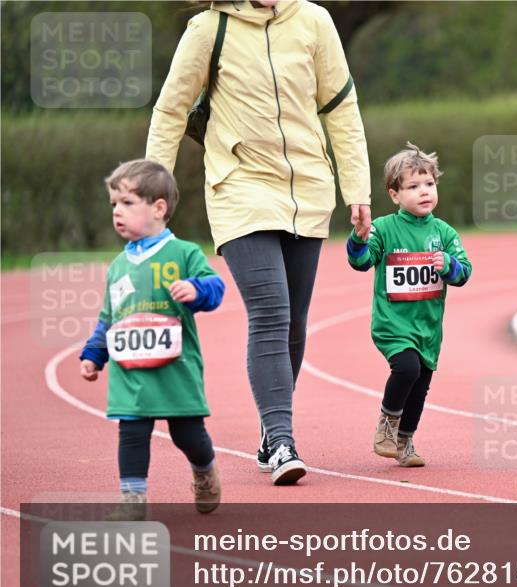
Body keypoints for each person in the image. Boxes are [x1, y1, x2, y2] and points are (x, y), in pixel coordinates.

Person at [146, 0, 372, 484]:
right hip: (239, 188)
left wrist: (357, 190)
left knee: (294, 320)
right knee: (270, 310)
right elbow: (169, 110)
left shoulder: (314, 20)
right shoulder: (209, 29)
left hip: (309, 189)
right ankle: (283, 437)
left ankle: (272, 435)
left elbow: (341, 108)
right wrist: (152, 192)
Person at [80, 159, 226, 519]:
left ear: (158, 208)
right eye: (114, 204)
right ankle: (133, 500)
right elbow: (108, 318)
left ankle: (204, 468)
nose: (117, 212)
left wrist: (195, 288)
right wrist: (94, 353)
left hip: (177, 367)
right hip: (131, 371)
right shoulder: (117, 267)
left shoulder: (184, 253)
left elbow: (216, 287)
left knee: (187, 434)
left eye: (127, 203)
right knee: (132, 431)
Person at [346, 144, 472, 466]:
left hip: (428, 328)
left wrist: (448, 265)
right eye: (413, 187)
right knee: (407, 369)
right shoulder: (385, 229)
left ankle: (405, 441)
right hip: (393, 324)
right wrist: (359, 239)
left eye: (429, 184)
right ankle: (386, 427)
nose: (424, 192)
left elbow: (464, 273)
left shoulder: (444, 232)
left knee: (421, 385)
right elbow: (361, 262)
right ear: (394, 195)